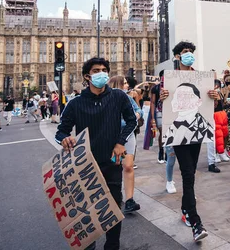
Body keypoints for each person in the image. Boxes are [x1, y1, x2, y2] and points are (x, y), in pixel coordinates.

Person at [56, 58, 137, 250]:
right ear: (87, 76)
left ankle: (112, 246)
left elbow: (132, 120)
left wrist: (120, 142)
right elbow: (61, 131)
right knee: (87, 212)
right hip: (86, 166)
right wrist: (65, 139)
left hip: (112, 162)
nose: (101, 73)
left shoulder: (118, 96)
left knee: (114, 209)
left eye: (104, 70)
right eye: (96, 70)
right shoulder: (75, 103)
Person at [159, 40, 220, 242]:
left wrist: (214, 95)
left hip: (196, 133)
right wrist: (163, 96)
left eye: (191, 52)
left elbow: (212, 100)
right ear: (177, 56)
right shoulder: (169, 79)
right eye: (185, 52)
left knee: (190, 172)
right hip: (177, 133)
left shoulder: (200, 77)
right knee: (187, 173)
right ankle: (195, 222)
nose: (189, 55)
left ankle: (185, 209)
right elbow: (164, 105)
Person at [108, 75, 143, 215]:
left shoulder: (127, 97)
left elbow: (138, 110)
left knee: (128, 166)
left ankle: (129, 200)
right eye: (125, 83)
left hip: (127, 134)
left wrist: (137, 115)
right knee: (113, 167)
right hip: (111, 135)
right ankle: (114, 197)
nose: (127, 85)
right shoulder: (107, 98)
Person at [208, 79, 230, 173]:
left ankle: (222, 152)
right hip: (215, 116)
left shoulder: (219, 94)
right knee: (217, 137)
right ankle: (215, 155)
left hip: (222, 115)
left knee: (225, 135)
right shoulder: (210, 94)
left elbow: (222, 104)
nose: (217, 87)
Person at [150, 71, 166, 163]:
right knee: (163, 132)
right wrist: (152, 118)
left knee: (169, 133)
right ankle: (161, 151)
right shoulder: (156, 88)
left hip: (170, 112)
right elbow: (152, 102)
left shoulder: (172, 87)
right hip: (159, 111)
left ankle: (168, 152)